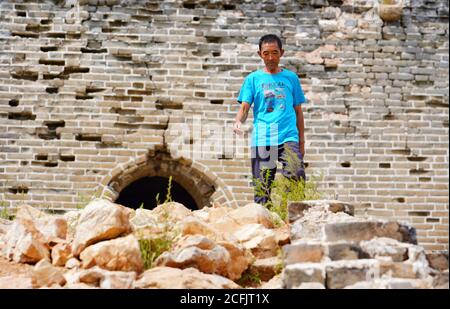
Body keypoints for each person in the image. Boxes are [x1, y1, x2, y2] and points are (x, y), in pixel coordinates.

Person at [234, 34, 307, 205]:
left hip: (288, 137)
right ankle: (264, 226)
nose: (271, 57)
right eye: (266, 53)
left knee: (296, 175)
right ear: (260, 54)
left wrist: (301, 141)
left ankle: (292, 219)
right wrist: (238, 121)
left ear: (281, 52)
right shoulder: (253, 79)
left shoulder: (291, 78)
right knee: (262, 187)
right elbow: (244, 107)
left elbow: (298, 111)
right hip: (263, 138)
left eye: (275, 53)